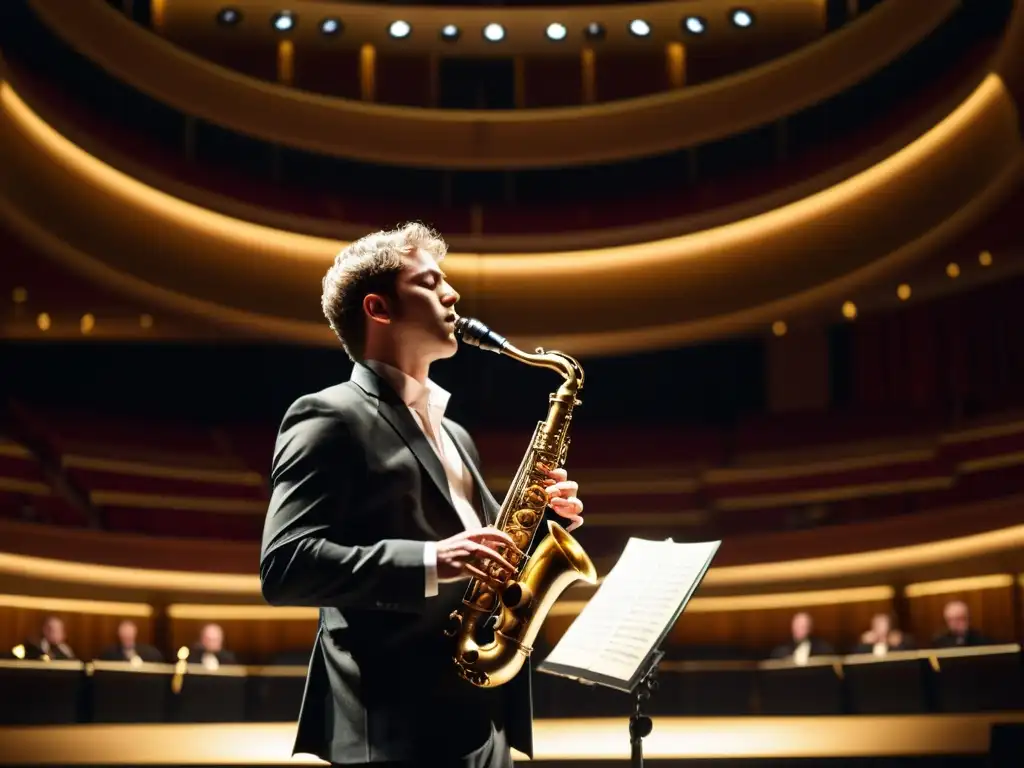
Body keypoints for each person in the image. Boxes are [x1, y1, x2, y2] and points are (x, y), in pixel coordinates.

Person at [260, 223, 585, 767]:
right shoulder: (328, 415)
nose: (452, 294)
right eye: (430, 282)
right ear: (378, 309)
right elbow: (285, 565)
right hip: (396, 732)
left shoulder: (455, 434)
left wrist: (543, 522)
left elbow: (486, 563)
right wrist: (435, 558)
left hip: (484, 719)